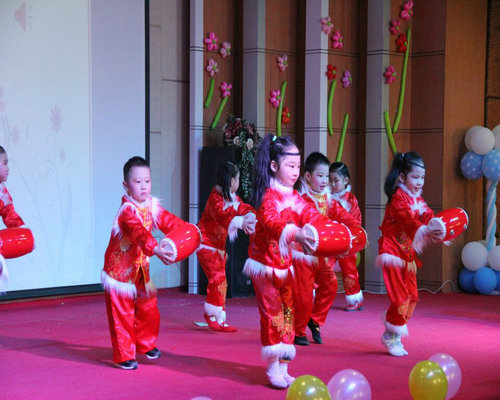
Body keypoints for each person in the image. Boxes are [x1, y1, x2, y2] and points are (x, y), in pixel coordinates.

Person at [243, 135, 328, 389]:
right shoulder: (268, 197)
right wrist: (296, 233)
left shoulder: (293, 196)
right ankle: (273, 365)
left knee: (289, 311)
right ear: (273, 166)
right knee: (272, 313)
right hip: (265, 266)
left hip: (284, 264)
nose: (295, 172)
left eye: (297, 166)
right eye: (290, 166)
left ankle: (283, 365)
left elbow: (310, 213)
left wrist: (328, 229)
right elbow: (271, 222)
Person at [102, 156, 189, 370]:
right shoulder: (127, 211)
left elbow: (168, 221)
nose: (143, 186)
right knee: (122, 313)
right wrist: (156, 248)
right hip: (120, 271)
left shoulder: (151, 206)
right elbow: (138, 232)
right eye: (138, 181)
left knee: (149, 307)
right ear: (126, 185)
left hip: (140, 267)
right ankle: (123, 355)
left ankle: (146, 344)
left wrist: (188, 231)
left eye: (147, 181)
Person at [376, 152, 443, 357]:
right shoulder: (398, 197)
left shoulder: (417, 198)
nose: (419, 182)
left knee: (412, 297)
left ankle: (392, 327)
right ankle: (391, 336)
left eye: (422, 178)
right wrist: (425, 229)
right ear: (402, 177)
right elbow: (407, 220)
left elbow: (427, 214)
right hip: (392, 252)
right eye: (415, 177)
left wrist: (438, 225)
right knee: (400, 298)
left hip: (407, 253)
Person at [292, 153, 360, 346]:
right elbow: (314, 220)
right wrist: (333, 227)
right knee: (304, 296)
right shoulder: (301, 199)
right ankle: (298, 331)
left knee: (330, 285)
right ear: (307, 176)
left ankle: (315, 320)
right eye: (320, 176)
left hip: (320, 255)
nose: (324, 181)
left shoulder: (327, 199)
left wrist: (356, 229)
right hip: (303, 254)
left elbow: (343, 215)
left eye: (326, 177)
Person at [197, 159, 256, 332]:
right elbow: (223, 216)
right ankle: (211, 314)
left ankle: (219, 317)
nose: (238, 182)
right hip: (206, 245)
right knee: (218, 279)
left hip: (218, 248)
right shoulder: (215, 200)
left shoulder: (230, 198)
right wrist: (241, 221)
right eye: (238, 179)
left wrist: (252, 215)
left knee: (222, 281)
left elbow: (241, 207)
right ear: (232, 181)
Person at [329, 161, 364, 311]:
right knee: (324, 268)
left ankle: (355, 299)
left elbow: (356, 221)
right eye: (330, 180)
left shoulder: (351, 199)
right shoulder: (327, 198)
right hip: (330, 241)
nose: (332, 184)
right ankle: (318, 297)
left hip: (347, 242)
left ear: (345, 181)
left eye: (335, 180)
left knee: (350, 270)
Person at [0, 146, 29, 290]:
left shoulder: (2, 191)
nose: (8, 168)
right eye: (4, 163)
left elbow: (9, 214)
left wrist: (23, 233)